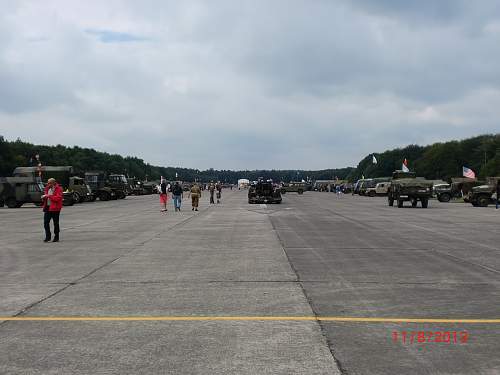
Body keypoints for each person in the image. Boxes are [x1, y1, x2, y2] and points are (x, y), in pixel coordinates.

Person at [42, 178, 63, 242]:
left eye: (49, 183)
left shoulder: (59, 189)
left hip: (55, 209)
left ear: (54, 183)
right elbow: (47, 197)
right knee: (46, 223)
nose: (48, 184)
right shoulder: (47, 188)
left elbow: (58, 198)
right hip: (48, 208)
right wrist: (44, 198)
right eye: (48, 183)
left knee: (56, 223)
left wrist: (49, 196)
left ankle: (56, 237)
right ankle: (48, 236)